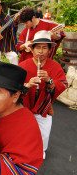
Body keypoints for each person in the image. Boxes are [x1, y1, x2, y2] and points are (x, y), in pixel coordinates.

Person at [19, 30, 67, 159]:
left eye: (44, 48)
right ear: (32, 49)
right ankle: (24, 149)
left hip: (43, 106)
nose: (41, 51)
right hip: (25, 106)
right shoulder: (23, 65)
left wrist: (49, 80)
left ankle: (41, 150)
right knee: (23, 131)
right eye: (38, 47)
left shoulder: (55, 66)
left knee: (44, 133)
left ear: (49, 50)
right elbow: (14, 87)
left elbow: (63, 84)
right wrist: (27, 85)